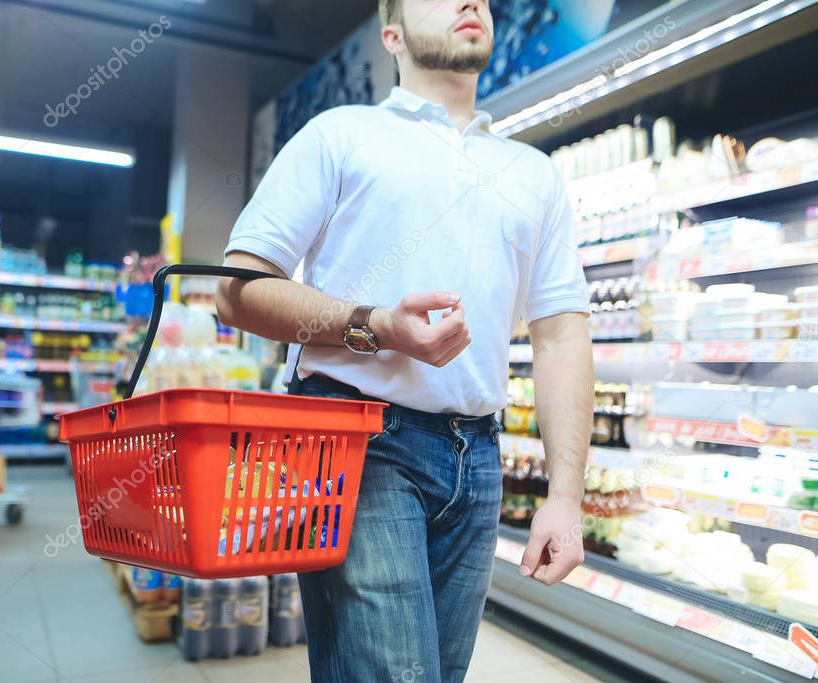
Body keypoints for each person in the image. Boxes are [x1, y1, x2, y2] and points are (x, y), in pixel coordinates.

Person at [216, 1, 593, 680]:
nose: (470, 0)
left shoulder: (532, 173)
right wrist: (375, 325)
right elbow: (237, 287)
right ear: (390, 35)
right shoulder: (340, 134)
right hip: (355, 442)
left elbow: (560, 333)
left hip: (477, 457)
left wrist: (566, 497)